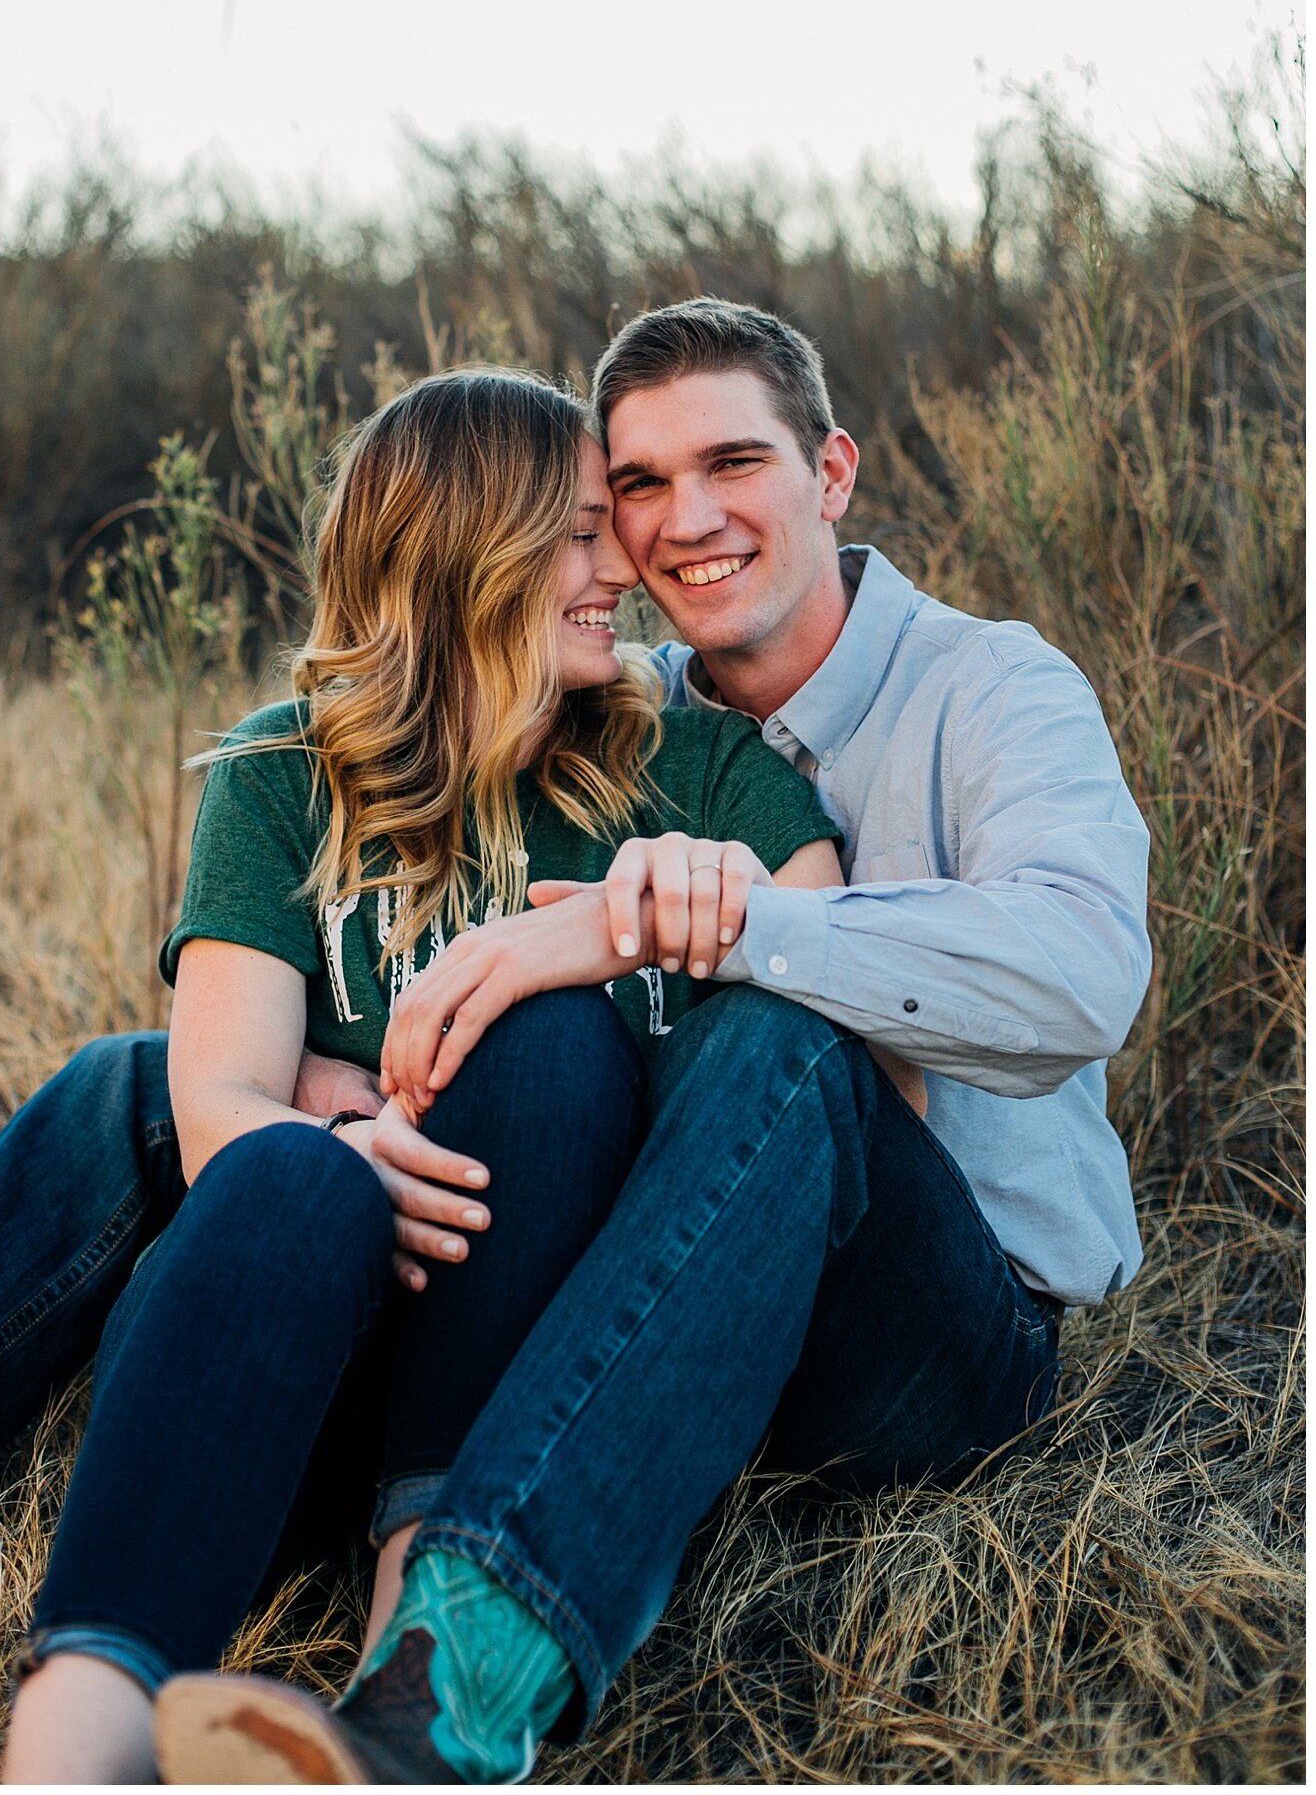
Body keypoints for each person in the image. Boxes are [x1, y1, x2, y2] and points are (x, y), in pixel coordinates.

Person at [147, 297, 1152, 1785]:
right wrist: (307, 1068)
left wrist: (721, 928)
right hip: (685, 1311)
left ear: (833, 473)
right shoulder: (628, 707)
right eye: (636, 487)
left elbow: (1085, 981)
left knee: (781, 1042)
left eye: (734, 463)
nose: (681, 523)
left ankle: (454, 1688)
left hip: (943, 1326)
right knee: (141, 1095)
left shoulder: (993, 691)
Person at [0, 367, 846, 1785]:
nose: (622, 561)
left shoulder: (693, 767)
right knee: (250, 1149)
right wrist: (349, 1133)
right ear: (460, 558)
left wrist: (674, 909)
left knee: (540, 1044)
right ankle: (68, 1738)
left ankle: (401, 1680)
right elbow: (217, 1105)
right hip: (292, 1364)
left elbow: (829, 1035)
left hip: (528, 1403)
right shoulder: (282, 775)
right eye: (573, 534)